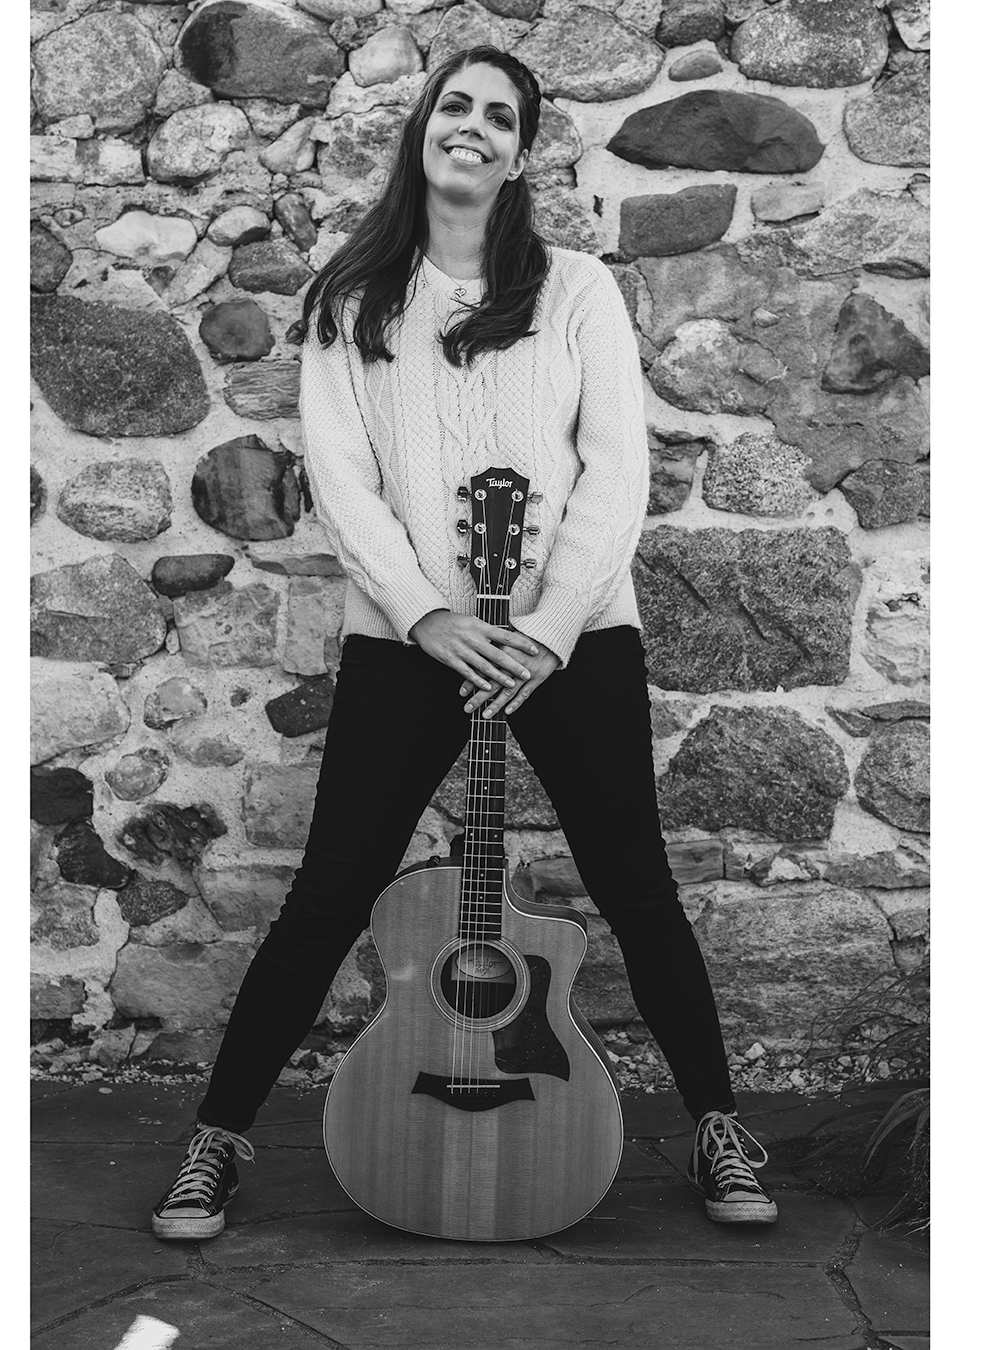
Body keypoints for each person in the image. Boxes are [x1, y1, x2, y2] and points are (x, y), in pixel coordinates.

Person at [151, 46, 777, 1241]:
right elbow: (341, 481)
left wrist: (540, 630)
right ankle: (215, 1143)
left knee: (637, 888)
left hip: (569, 638)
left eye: (500, 116)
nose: (475, 129)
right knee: (330, 893)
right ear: (425, 128)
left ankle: (717, 1130)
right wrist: (431, 618)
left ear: (518, 150)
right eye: (458, 107)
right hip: (410, 641)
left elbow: (617, 473)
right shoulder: (350, 300)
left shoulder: (576, 289)